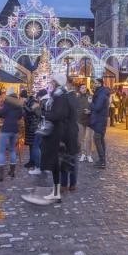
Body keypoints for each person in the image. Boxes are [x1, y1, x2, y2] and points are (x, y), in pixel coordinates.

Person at [40, 74, 72, 202]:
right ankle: (56, 192)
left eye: (53, 81)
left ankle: (57, 193)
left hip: (56, 134)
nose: (51, 83)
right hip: (53, 132)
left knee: (55, 163)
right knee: (54, 164)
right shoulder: (56, 96)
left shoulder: (60, 97)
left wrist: (44, 114)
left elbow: (58, 115)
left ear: (57, 83)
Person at [0, 87, 24, 182]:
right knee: (12, 150)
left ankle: (1, 175)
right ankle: (12, 171)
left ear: (8, 94)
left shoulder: (7, 102)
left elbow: (0, 112)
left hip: (6, 129)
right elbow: (20, 116)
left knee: (1, 151)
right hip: (15, 130)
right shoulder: (18, 104)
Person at [60, 80, 81, 191]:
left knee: (64, 158)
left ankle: (64, 184)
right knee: (73, 158)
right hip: (74, 131)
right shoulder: (76, 98)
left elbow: (62, 116)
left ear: (68, 85)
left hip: (65, 131)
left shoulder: (66, 98)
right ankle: (73, 184)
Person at [89, 77, 110, 168]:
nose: (94, 85)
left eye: (96, 83)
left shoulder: (101, 94)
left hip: (100, 120)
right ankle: (102, 160)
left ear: (100, 84)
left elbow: (97, 107)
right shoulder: (101, 92)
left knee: (97, 139)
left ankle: (102, 161)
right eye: (94, 83)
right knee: (100, 139)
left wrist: (90, 103)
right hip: (100, 120)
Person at [28, 89, 48, 176]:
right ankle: (45, 167)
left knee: (35, 147)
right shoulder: (50, 100)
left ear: (40, 96)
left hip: (41, 127)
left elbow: (40, 115)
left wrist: (35, 108)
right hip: (48, 127)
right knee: (43, 147)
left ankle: (38, 167)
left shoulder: (43, 101)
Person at [22, 89, 40, 170]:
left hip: (33, 127)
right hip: (30, 126)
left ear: (24, 97)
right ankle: (31, 161)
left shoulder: (33, 102)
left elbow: (31, 111)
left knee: (33, 145)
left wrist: (24, 106)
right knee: (31, 145)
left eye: (22, 98)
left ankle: (35, 162)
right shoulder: (28, 102)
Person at [76, 83, 94, 163]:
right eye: (82, 88)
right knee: (81, 138)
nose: (83, 89)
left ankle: (89, 154)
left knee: (89, 138)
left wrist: (90, 111)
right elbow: (75, 108)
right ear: (79, 89)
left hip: (89, 120)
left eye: (85, 88)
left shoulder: (90, 97)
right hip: (80, 120)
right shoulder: (77, 98)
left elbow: (94, 107)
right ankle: (83, 154)